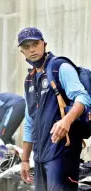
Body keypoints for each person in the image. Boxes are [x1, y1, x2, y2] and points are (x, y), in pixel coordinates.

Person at [19, 27, 91, 191]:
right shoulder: (29, 80)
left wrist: (67, 119)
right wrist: (25, 159)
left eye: (35, 44)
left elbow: (83, 97)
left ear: (44, 44)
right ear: (22, 51)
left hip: (61, 152)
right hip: (39, 155)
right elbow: (30, 121)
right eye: (26, 47)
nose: (32, 49)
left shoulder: (59, 67)